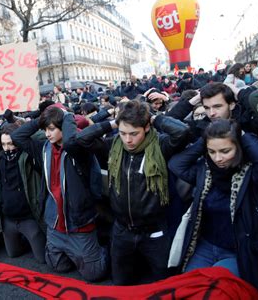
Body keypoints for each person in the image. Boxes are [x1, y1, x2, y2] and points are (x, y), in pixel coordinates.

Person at [168, 120, 258, 299]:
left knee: (216, 293)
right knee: (187, 289)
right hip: (206, 247)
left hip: (240, 251)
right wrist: (208, 138)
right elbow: (177, 163)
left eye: (225, 151)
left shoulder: (255, 174)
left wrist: (242, 135)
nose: (218, 158)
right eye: (212, 151)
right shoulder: (205, 171)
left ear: (239, 147)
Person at [75, 100, 189, 285]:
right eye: (123, 133)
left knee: (164, 282)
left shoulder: (160, 145)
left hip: (154, 231)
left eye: (134, 133)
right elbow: (81, 138)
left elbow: (182, 132)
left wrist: (153, 118)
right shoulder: (113, 145)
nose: (128, 140)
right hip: (122, 230)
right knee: (121, 283)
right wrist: (112, 123)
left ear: (145, 128)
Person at [11, 106, 108, 282]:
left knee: (94, 274)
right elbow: (17, 136)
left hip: (78, 222)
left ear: (63, 126)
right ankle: (74, 253)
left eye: (51, 129)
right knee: (57, 265)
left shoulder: (78, 148)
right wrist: (43, 117)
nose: (47, 134)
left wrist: (67, 116)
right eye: (45, 129)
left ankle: (101, 247)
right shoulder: (44, 149)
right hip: (54, 222)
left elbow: (70, 142)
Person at [0, 123, 46, 264]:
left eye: (11, 143)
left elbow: (42, 135)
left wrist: (19, 133)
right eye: (4, 144)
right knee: (13, 254)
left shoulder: (27, 153)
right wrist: (2, 130)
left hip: (29, 218)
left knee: (42, 258)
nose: (7, 148)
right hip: (9, 219)